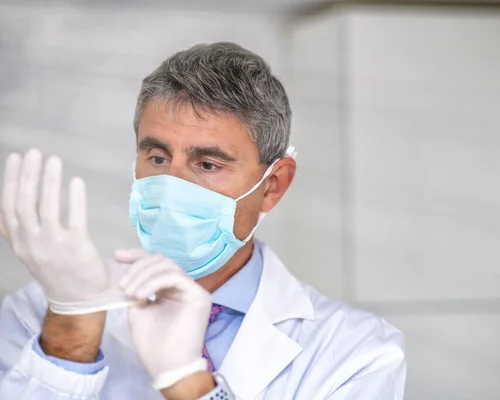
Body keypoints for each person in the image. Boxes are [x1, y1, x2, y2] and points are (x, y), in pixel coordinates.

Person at [0, 42, 406, 399]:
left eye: (207, 164)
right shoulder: (44, 311)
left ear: (273, 186)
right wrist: (72, 334)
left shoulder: (357, 351)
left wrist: (189, 383)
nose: (171, 185)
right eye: (157, 158)